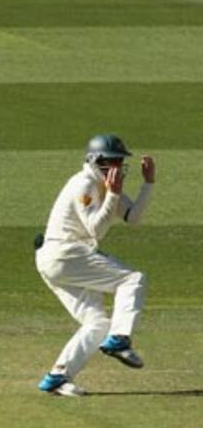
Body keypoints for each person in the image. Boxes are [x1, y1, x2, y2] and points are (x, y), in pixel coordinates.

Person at [35, 134, 154, 396]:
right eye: (111, 162)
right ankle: (119, 339)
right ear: (94, 161)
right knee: (132, 279)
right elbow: (95, 230)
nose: (116, 168)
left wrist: (148, 184)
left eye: (119, 162)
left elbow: (133, 218)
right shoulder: (85, 184)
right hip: (64, 254)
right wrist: (112, 194)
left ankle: (57, 377)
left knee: (97, 323)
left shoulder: (109, 185)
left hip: (61, 260)